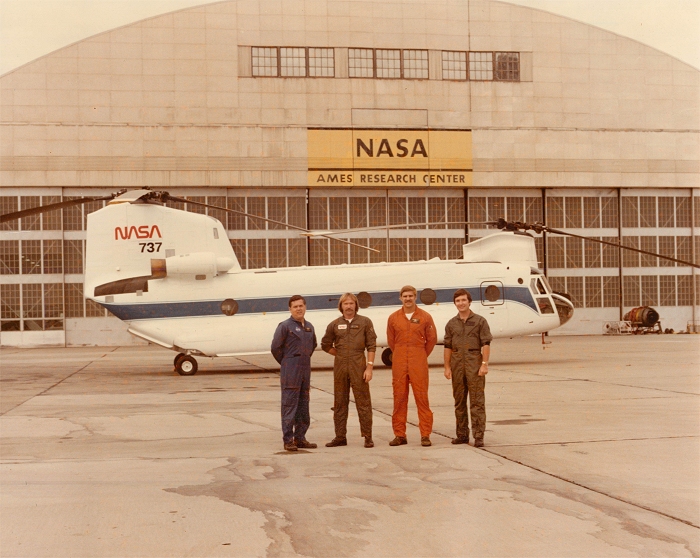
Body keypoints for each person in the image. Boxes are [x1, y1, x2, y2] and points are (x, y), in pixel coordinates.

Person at [322, 293, 377, 449]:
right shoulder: (334, 324)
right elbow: (325, 344)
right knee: (339, 402)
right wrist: (339, 354)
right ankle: (340, 436)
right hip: (340, 366)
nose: (348, 306)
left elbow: (371, 346)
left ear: (356, 305)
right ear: (341, 306)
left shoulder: (365, 322)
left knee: (363, 401)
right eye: (345, 303)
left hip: (358, 364)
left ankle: (368, 436)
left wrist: (369, 366)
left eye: (351, 303)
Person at [386, 285, 437, 447]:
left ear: (415, 297)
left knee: (422, 397)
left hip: (418, 358)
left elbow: (432, 339)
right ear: (400, 298)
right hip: (399, 359)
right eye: (405, 296)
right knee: (399, 397)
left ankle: (425, 434)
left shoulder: (425, 317)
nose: (408, 299)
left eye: (411, 296)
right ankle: (400, 434)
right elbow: (391, 341)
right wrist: (401, 354)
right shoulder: (393, 318)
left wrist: (420, 355)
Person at [443, 288, 493, 448]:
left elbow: (485, 343)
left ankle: (478, 436)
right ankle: (462, 434)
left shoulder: (480, 321)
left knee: (477, 402)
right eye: (458, 301)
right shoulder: (451, 324)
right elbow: (448, 346)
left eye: (463, 300)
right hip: (457, 366)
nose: (461, 303)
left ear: (469, 302)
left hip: (474, 365)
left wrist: (484, 364)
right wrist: (447, 367)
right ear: (455, 304)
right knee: (459, 401)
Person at [271, 295, 317, 452]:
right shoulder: (285, 326)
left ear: (305, 307)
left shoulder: (309, 327)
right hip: (291, 372)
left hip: (305, 371)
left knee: (304, 406)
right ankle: (288, 439)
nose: (299, 309)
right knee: (290, 405)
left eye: (301, 306)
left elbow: (312, 346)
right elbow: (276, 348)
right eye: (295, 306)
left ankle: (300, 438)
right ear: (290, 309)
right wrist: (287, 363)